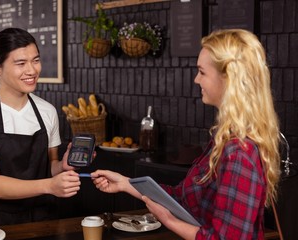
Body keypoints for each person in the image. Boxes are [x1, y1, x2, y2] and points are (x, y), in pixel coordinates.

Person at [91, 29, 281, 239]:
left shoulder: (239, 152)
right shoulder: (224, 140)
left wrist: (169, 220)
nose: (196, 80)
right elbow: (182, 198)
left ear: (229, 78)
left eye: (202, 72)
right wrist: (126, 183)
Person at [0, 28, 81, 225]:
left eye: (35, 60)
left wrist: (61, 167)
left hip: (42, 217)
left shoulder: (47, 111)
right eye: (20, 63)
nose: (32, 70)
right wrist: (50, 186)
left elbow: (47, 168)